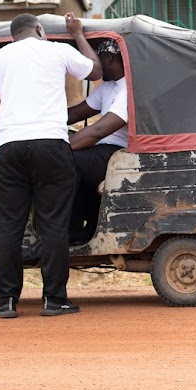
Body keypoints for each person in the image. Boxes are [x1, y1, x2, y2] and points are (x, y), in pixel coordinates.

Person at [0, 12, 101, 318]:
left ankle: (7, 302)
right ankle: (54, 300)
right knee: (53, 225)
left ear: (13, 35)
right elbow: (96, 70)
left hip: (9, 147)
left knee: (9, 226)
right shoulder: (57, 50)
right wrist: (77, 34)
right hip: (51, 145)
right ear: (39, 29)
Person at [67, 39, 128, 245]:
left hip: (118, 153)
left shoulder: (128, 89)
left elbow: (99, 130)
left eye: (98, 60)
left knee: (68, 160)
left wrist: (60, 148)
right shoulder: (108, 87)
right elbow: (75, 113)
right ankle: (85, 229)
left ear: (108, 58)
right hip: (102, 149)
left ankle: (69, 230)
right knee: (75, 157)